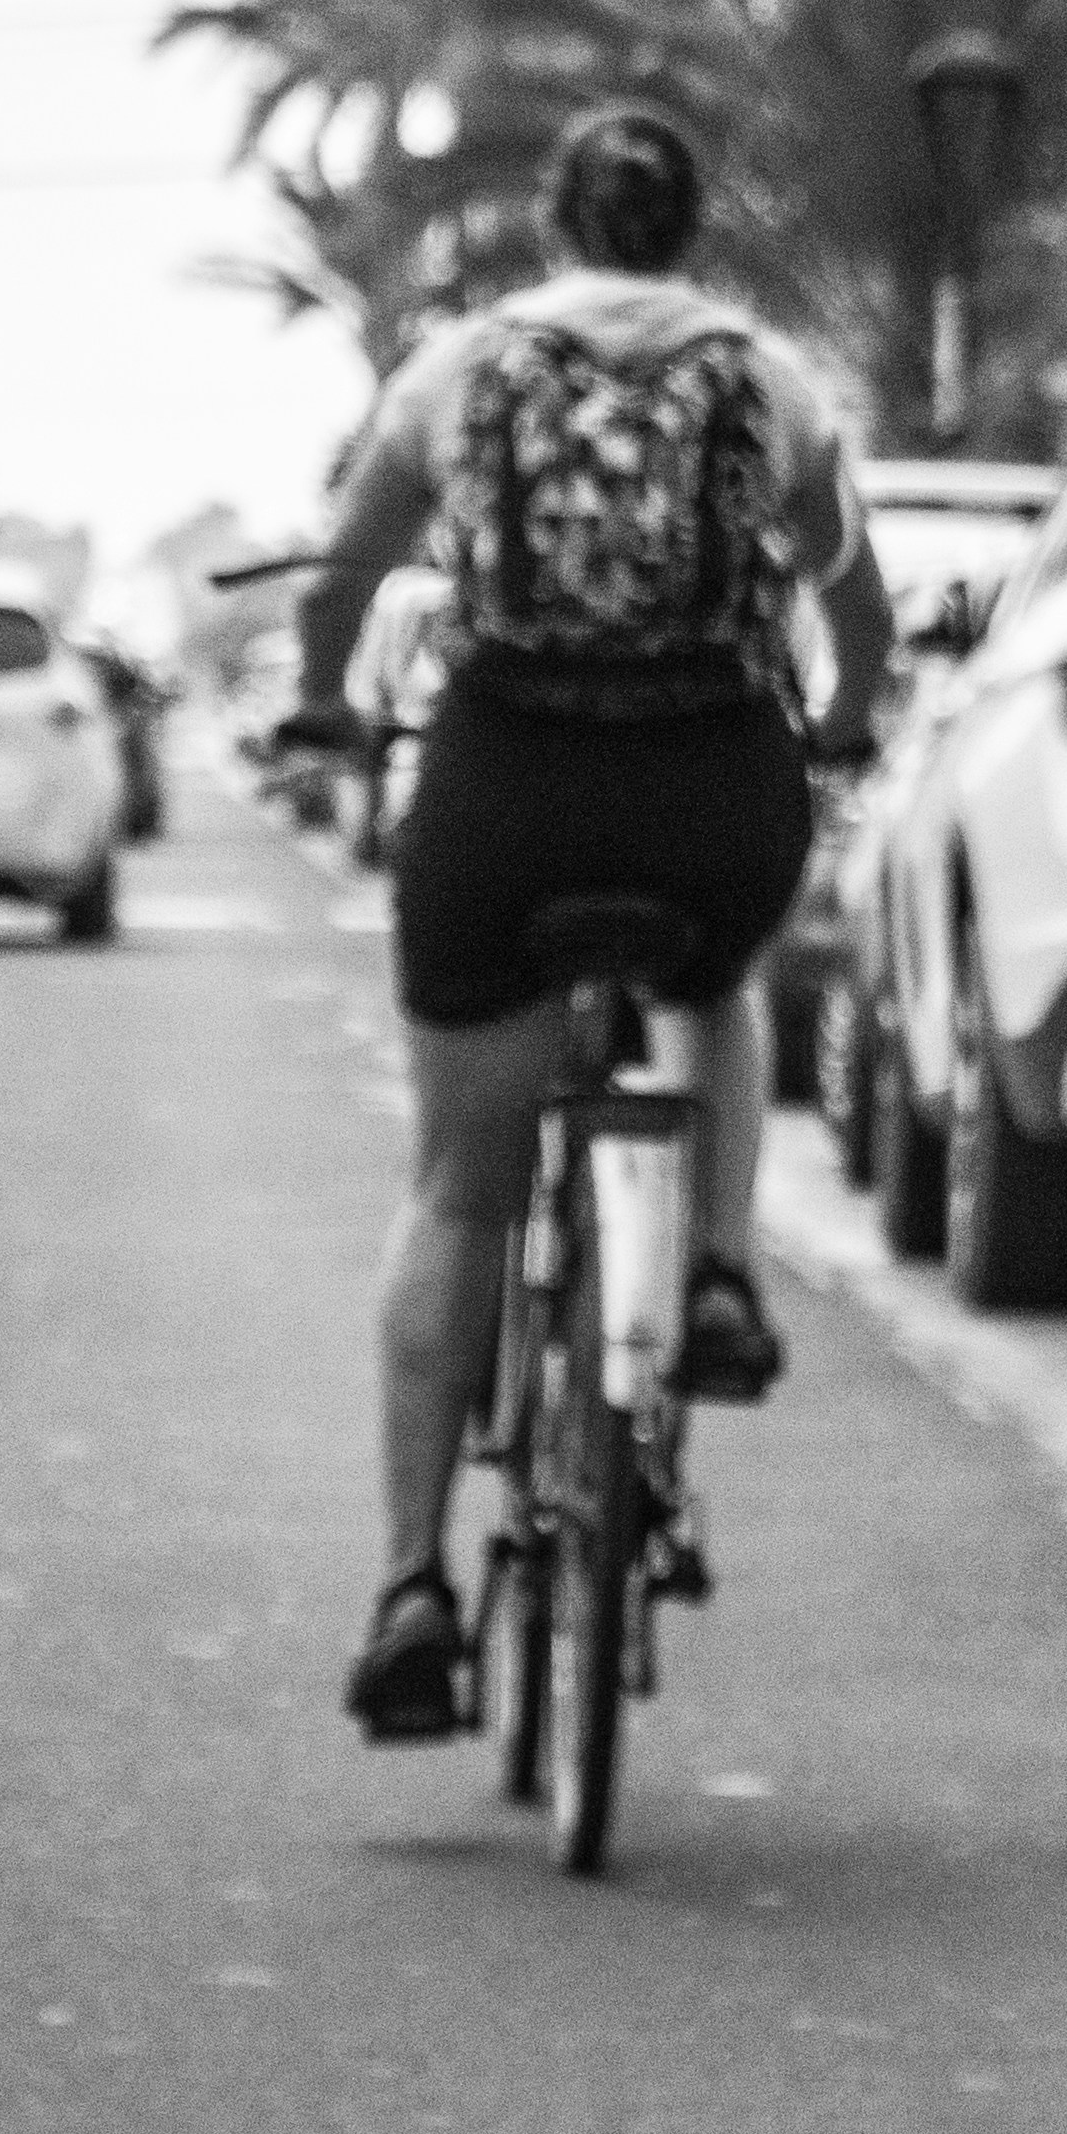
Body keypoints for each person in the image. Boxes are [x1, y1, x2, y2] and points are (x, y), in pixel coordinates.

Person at [285, 102, 897, 1744]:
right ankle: (708, 1270)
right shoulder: (767, 378)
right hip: (710, 788)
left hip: (505, 791)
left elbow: (342, 583)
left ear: (554, 224)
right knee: (719, 981)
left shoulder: (458, 371)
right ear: (693, 227)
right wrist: (842, 724)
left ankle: (415, 1586)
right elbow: (853, 600)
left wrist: (326, 713)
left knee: (462, 1189)